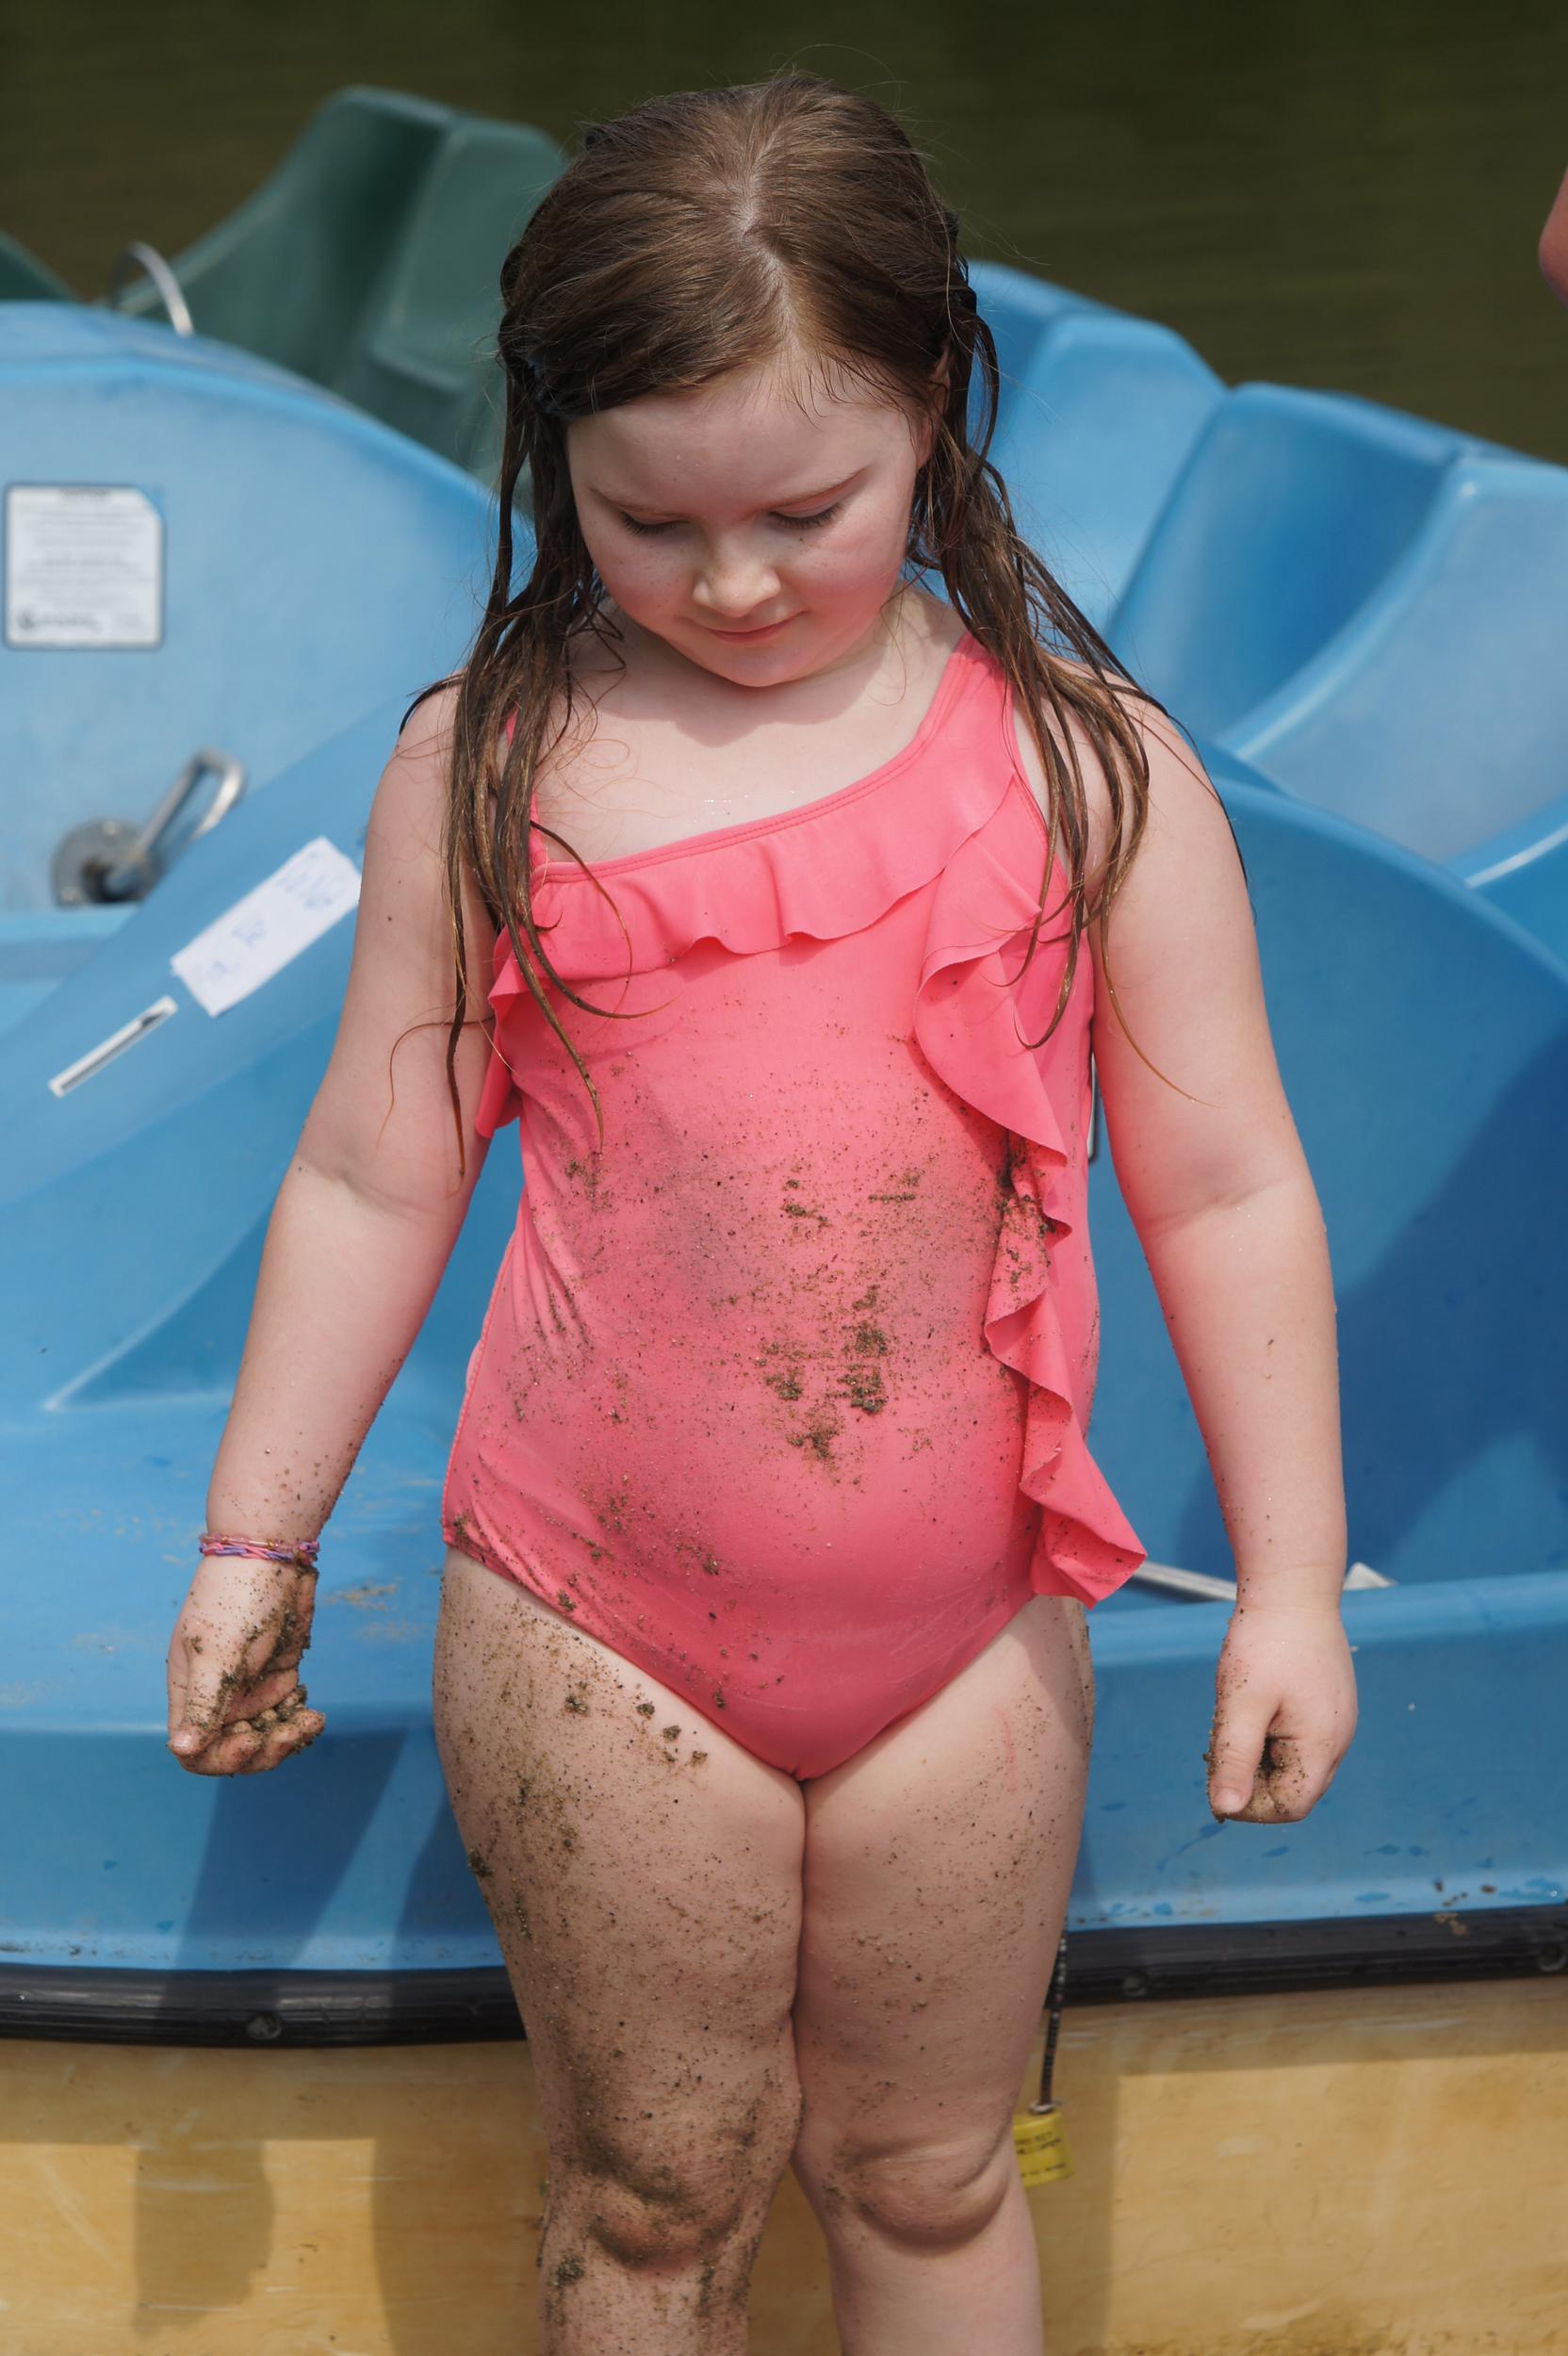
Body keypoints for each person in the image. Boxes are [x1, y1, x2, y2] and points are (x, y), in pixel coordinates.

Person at [165, 72, 1357, 2356]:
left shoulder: (1091, 768)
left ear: (930, 412)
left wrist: (1290, 1581)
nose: (726, 583)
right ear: (554, 462)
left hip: (964, 1638)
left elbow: (1226, 1187)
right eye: (644, 520)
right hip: (598, 1625)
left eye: (804, 511)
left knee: (923, 2166)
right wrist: (257, 1536)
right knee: (646, 2196)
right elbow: (367, 1164)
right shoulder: (493, 760)